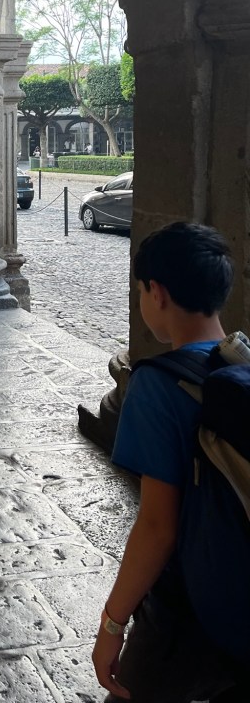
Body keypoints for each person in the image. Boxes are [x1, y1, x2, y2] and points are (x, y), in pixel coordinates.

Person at [93, 222, 249, 702]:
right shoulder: (243, 365)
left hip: (186, 612)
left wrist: (112, 624)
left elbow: (158, 527)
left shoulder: (157, 386)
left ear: (156, 293)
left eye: (142, 290)